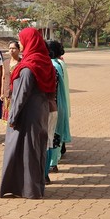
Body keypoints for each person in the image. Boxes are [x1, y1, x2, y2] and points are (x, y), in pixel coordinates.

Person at [0, 28, 57, 199]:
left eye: (22, 40)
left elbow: (21, 96)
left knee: (23, 151)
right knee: (35, 149)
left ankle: (27, 189)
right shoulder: (45, 63)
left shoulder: (28, 67)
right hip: (40, 113)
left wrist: (13, 117)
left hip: (26, 115)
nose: (21, 44)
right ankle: (34, 187)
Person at [47, 40, 71, 173]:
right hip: (59, 104)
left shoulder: (52, 66)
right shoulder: (59, 63)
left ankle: (52, 163)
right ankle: (53, 161)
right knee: (56, 135)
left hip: (53, 104)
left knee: (52, 135)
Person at [1, 40, 21, 122]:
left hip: (17, 93)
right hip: (7, 93)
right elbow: (3, 78)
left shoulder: (22, 63)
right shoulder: (5, 62)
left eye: (14, 48)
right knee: (7, 118)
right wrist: (2, 92)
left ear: (19, 50)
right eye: (10, 48)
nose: (11, 50)